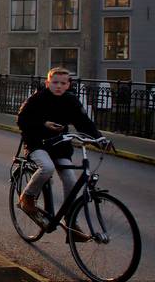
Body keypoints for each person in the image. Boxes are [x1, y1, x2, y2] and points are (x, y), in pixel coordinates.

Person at [16, 67, 106, 224]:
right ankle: (27, 197)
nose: (58, 86)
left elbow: (84, 123)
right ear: (47, 83)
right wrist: (44, 124)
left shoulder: (71, 101)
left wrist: (100, 139)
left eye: (63, 83)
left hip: (60, 147)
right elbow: (22, 120)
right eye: (55, 82)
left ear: (68, 84)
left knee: (71, 180)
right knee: (47, 168)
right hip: (37, 143)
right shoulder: (37, 98)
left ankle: (70, 219)